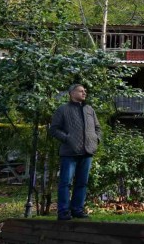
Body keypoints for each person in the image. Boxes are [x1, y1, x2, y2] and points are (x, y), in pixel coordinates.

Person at [50, 83, 101, 220]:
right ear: (72, 93)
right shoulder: (63, 110)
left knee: (82, 183)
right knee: (65, 183)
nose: (84, 93)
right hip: (69, 152)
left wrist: (96, 139)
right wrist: (67, 139)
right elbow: (54, 129)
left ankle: (77, 210)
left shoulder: (89, 109)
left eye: (85, 91)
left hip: (87, 151)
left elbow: (98, 127)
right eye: (81, 91)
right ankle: (63, 212)